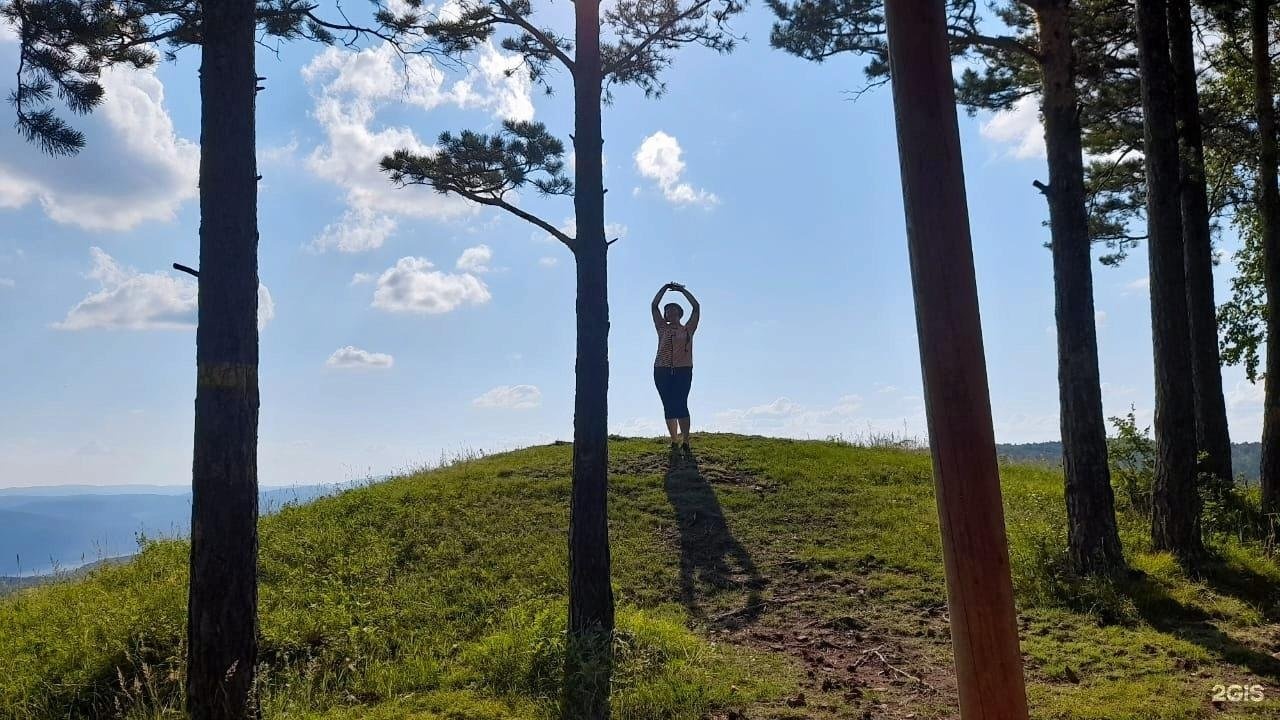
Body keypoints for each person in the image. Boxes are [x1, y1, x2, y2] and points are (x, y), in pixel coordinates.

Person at [651, 282, 699, 453]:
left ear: (679, 313)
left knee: (681, 404)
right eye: (667, 310)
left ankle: (685, 440)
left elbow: (696, 307)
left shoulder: (688, 329)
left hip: (683, 370)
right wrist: (664, 288)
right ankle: (674, 440)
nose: (669, 312)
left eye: (673, 309)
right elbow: (654, 305)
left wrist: (682, 291)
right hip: (661, 370)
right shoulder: (661, 327)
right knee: (668, 405)